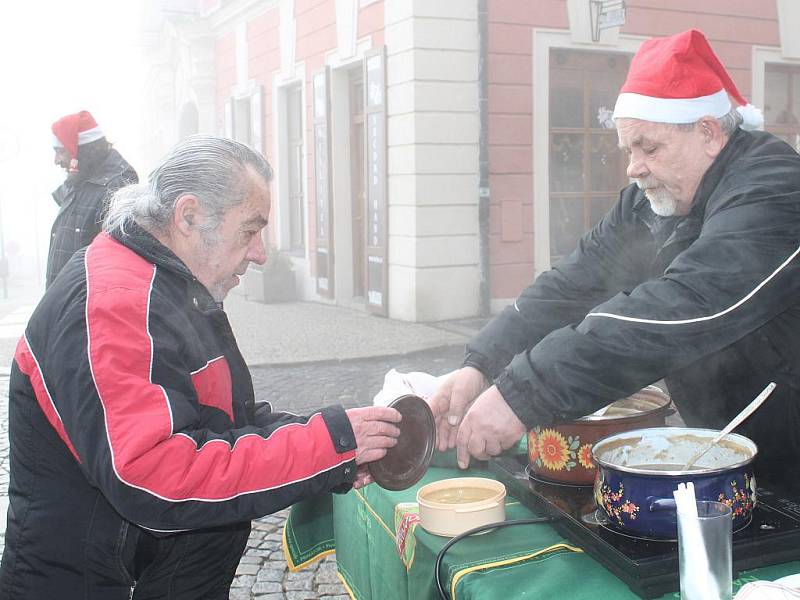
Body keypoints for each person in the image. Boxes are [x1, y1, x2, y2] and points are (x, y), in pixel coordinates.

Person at [0, 135, 402, 599]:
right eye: (250, 230)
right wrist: (329, 442)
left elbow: (224, 425)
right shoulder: (116, 303)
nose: (261, 254)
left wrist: (337, 452)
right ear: (189, 216)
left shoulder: (169, 284)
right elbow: (153, 473)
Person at [429, 29, 800, 480]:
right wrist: (482, 365)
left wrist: (523, 394)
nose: (633, 167)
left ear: (708, 133)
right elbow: (571, 284)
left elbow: (684, 306)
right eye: (628, 149)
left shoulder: (775, 188)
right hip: (731, 446)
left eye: (650, 147)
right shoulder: (653, 199)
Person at [47, 110, 138, 287]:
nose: (56, 161)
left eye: (60, 151)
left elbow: (116, 267)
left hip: (84, 308)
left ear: (81, 151)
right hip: (69, 303)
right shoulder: (80, 182)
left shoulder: (116, 186)